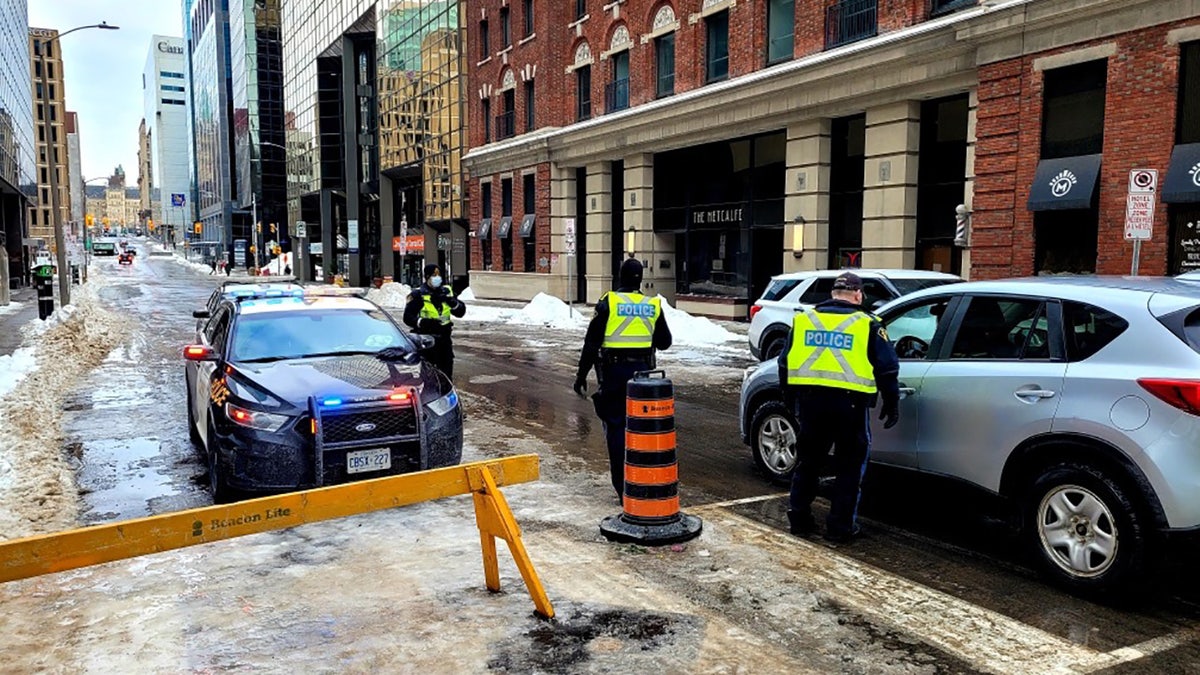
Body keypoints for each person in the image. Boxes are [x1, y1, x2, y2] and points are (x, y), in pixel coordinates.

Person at [777, 271, 900, 543]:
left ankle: (799, 519)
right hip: (850, 407)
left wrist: (789, 398)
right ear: (858, 295)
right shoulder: (868, 324)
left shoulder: (803, 320)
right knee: (849, 467)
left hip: (811, 404)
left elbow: (784, 363)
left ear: (833, 294)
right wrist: (891, 402)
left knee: (808, 463)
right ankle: (840, 527)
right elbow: (888, 369)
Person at [573, 258, 672, 498]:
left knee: (616, 429)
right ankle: (646, 481)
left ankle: (622, 487)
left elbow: (591, 343)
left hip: (615, 375)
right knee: (643, 431)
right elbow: (665, 342)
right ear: (641, 279)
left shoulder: (609, 302)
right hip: (645, 379)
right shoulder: (652, 305)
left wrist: (581, 375)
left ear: (620, 277)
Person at [403, 264, 466, 378]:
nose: (437, 277)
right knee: (429, 378)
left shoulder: (446, 291)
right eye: (433, 275)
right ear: (427, 277)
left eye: (439, 274)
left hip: (444, 341)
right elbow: (407, 318)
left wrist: (452, 302)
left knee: (446, 377)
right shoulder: (418, 294)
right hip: (427, 342)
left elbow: (461, 312)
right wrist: (423, 322)